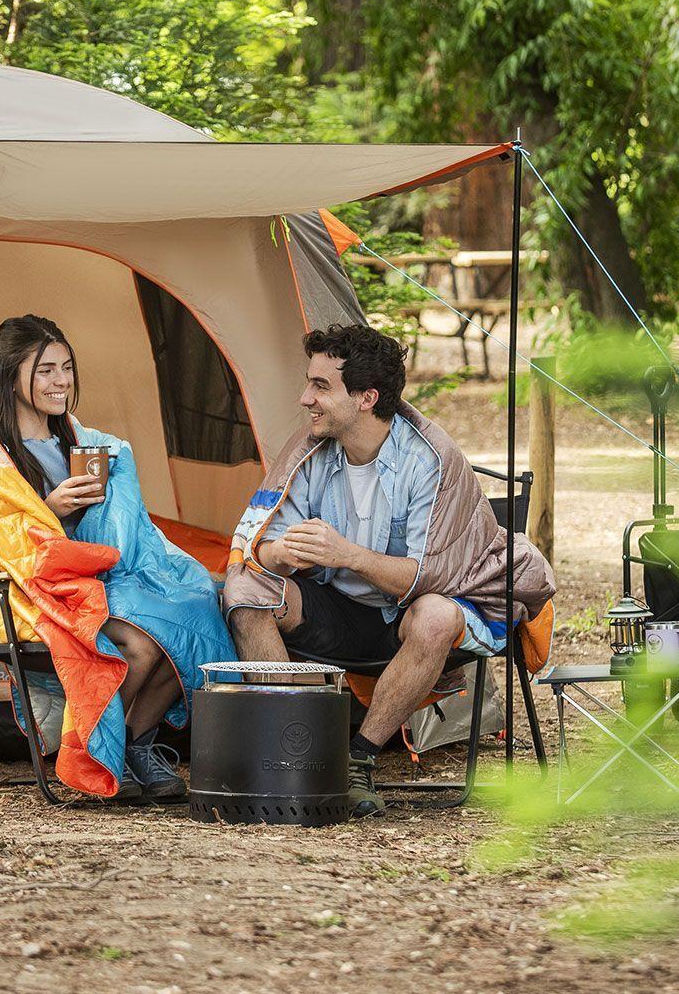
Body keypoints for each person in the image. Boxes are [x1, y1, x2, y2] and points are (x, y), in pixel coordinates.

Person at [223, 323, 555, 818]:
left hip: (407, 618)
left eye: (320, 386)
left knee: (436, 615)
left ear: (366, 397)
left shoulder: (430, 461)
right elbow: (259, 549)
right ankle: (295, 754)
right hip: (340, 609)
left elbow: (429, 576)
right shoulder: (309, 450)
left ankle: (357, 762)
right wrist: (283, 553)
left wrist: (347, 554)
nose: (305, 399)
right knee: (247, 589)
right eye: (309, 383)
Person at [0, 314, 234, 803]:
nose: (61, 381)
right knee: (145, 646)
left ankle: (134, 743)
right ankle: (98, 752)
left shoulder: (82, 441)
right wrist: (50, 510)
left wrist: (112, 496)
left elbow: (125, 524)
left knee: (197, 607)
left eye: (66, 367)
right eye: (45, 370)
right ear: (10, 376)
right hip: (35, 585)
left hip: (103, 575)